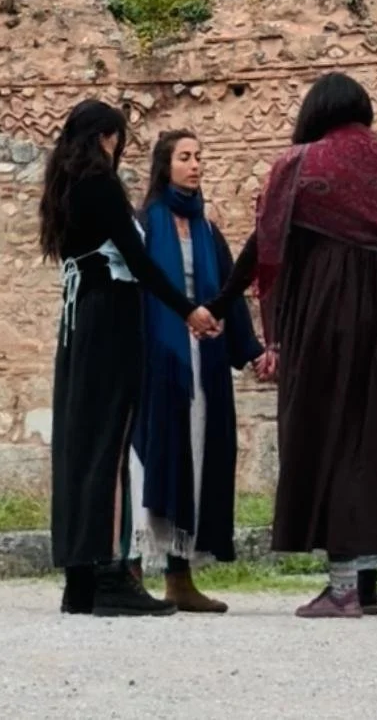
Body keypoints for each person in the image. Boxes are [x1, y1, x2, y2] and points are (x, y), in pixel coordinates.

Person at [210, 73, 377, 619]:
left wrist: (218, 306)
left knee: (332, 437)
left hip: (329, 316)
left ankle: (342, 589)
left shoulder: (301, 165)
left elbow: (262, 247)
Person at [39, 99, 219, 617]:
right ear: (105, 138)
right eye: (117, 138)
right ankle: (111, 572)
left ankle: (80, 579)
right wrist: (188, 309)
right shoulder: (101, 186)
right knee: (111, 444)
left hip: (79, 322)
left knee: (80, 443)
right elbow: (138, 260)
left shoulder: (65, 189)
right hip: (110, 320)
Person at [129, 129, 268, 614]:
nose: (195, 165)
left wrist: (251, 350)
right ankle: (133, 569)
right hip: (160, 360)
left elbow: (230, 289)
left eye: (199, 157)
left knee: (197, 455)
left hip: (203, 360)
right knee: (152, 460)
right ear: (164, 165)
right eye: (185, 157)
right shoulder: (146, 223)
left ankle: (180, 574)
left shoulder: (208, 230)